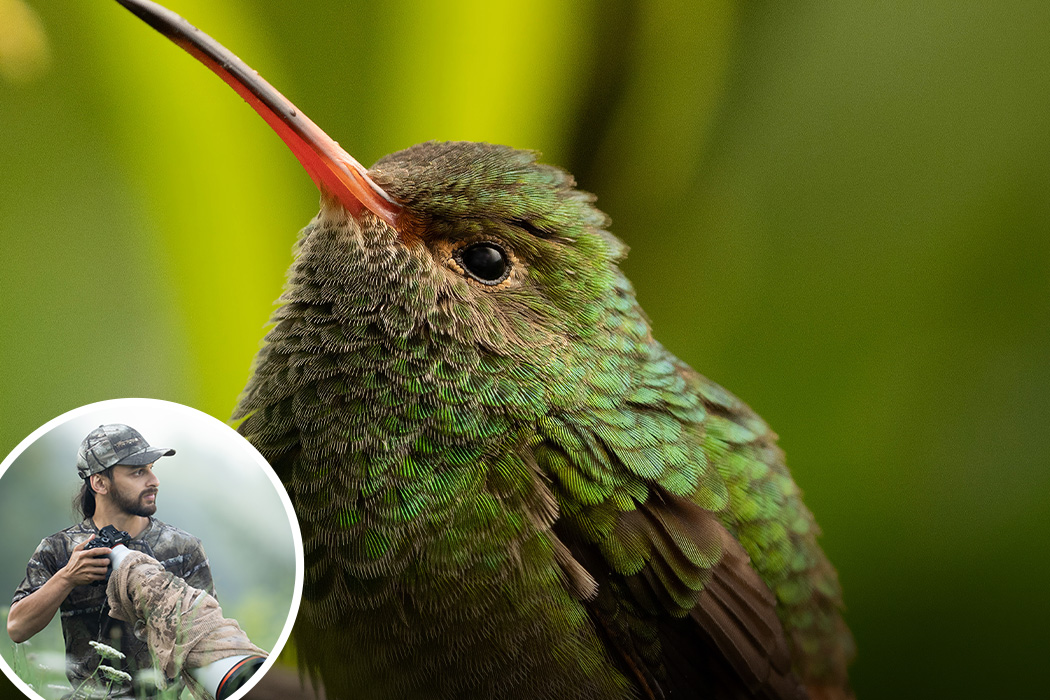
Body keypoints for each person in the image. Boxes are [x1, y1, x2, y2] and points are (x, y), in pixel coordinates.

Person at [6, 424, 215, 698]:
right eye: (138, 472)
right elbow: (17, 629)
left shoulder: (183, 548)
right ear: (99, 483)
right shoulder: (58, 550)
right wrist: (66, 577)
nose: (154, 480)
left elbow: (210, 639)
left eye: (151, 468)